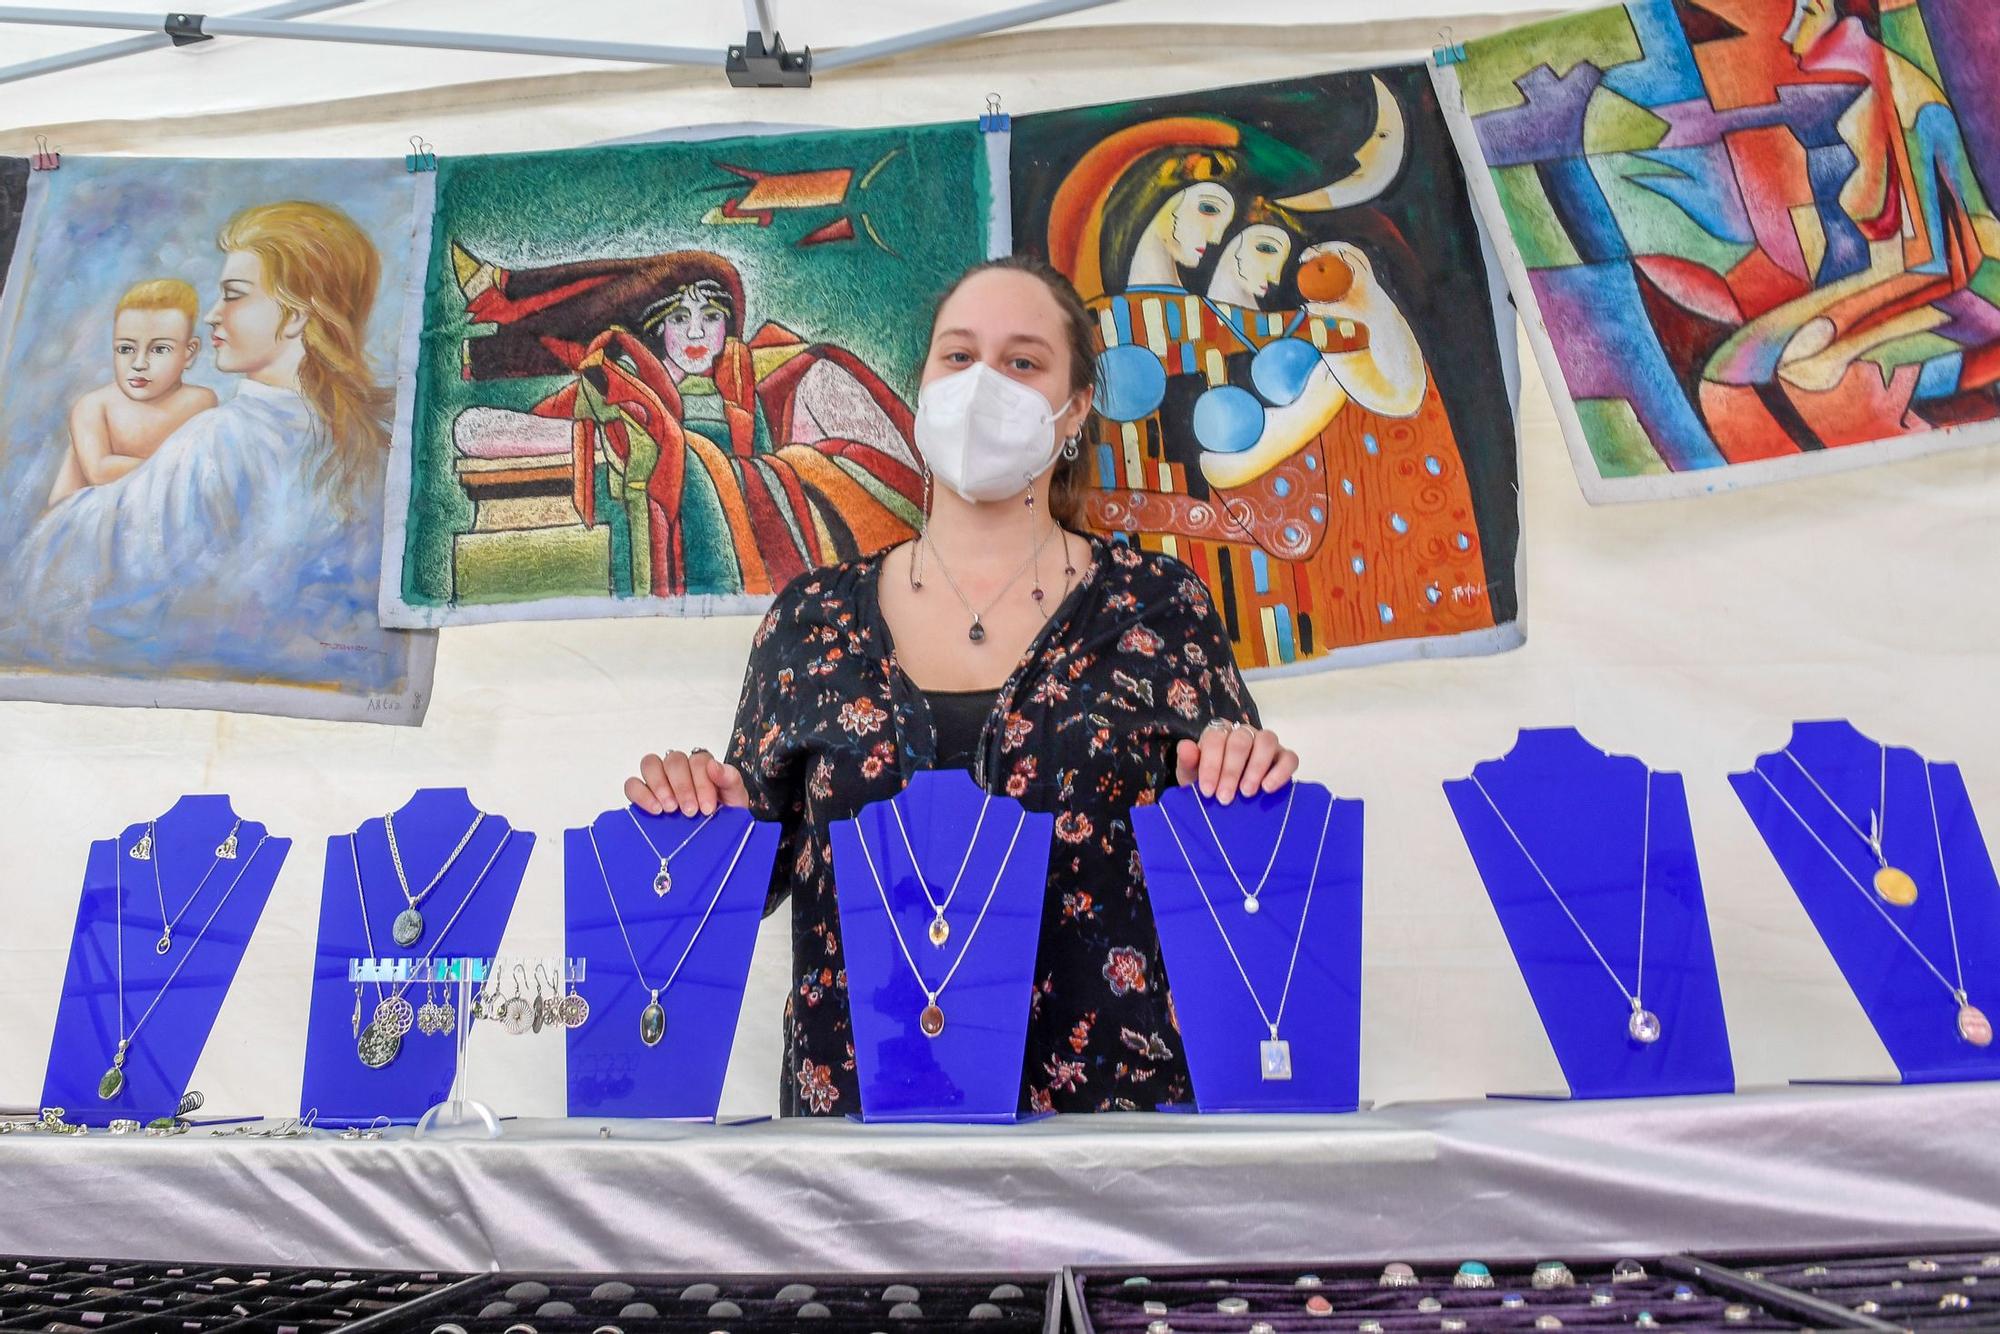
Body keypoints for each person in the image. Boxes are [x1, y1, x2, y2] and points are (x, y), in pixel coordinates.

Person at [626, 253, 1300, 1116]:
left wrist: (1246, 778)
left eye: (1023, 362)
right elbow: (741, 882)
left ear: (1075, 408)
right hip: (858, 1136)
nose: (985, 383)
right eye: (958, 356)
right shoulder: (809, 622)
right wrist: (694, 817)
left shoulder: (1158, 609)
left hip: (1109, 1140)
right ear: (920, 390)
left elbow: (1237, 876)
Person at [0, 200, 404, 691]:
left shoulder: (220, 440)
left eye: (234, 295)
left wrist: (74, 483)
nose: (213, 315)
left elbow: (48, 580)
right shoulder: (377, 447)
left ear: (296, 315)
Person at [45, 278, 217, 508]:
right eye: (126, 348)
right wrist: (176, 470)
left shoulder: (200, 402)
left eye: (159, 349)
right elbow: (99, 471)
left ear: (189, 352)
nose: (139, 363)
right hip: (83, 521)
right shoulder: (94, 406)